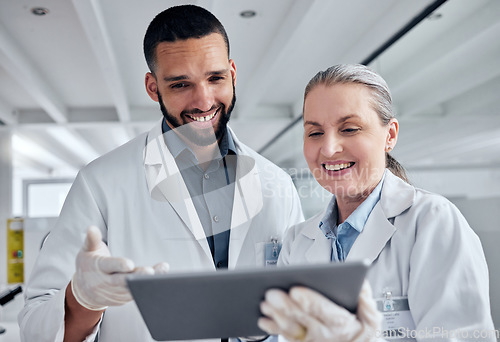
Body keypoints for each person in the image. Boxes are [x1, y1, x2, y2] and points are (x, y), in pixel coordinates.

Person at [18, 5, 304, 342]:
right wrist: (83, 300)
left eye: (215, 78)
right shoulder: (100, 184)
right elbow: (34, 328)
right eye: (181, 84)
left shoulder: (277, 184)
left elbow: (301, 308)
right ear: (153, 88)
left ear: (233, 74)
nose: (203, 100)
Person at [257, 64, 496, 341]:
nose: (330, 148)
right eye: (315, 133)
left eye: (349, 129)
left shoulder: (431, 221)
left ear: (390, 135)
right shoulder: (297, 242)